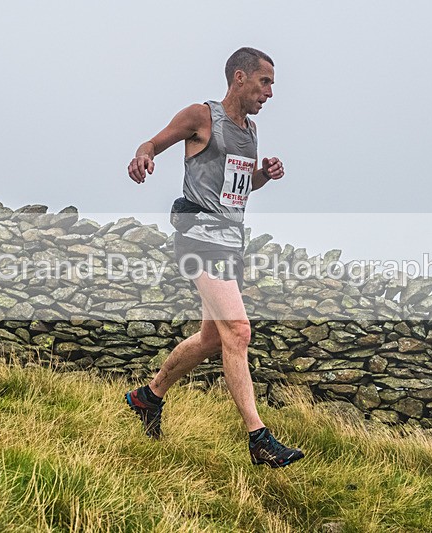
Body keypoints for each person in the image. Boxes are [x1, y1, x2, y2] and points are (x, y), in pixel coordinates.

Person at [125, 47, 304, 468]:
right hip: (198, 241)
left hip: (229, 245)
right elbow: (152, 141)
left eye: (273, 84)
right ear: (239, 78)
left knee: (212, 339)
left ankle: (147, 397)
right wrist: (143, 155)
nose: (271, 92)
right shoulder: (201, 116)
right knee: (238, 332)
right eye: (265, 82)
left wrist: (263, 175)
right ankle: (258, 437)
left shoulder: (251, 131)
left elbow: (237, 192)